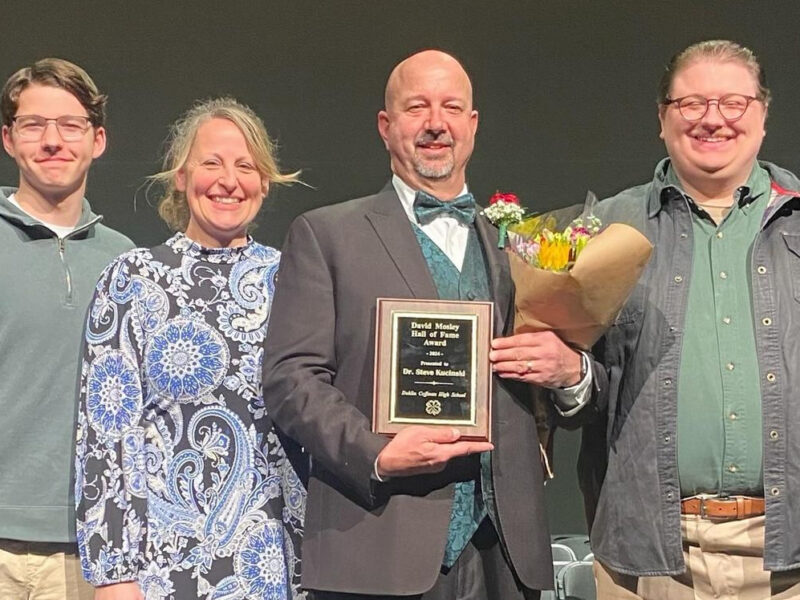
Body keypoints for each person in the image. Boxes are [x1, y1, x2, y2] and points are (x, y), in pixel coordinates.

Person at [262, 49, 601, 600]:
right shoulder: (327, 235)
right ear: (386, 125)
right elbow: (289, 379)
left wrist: (570, 373)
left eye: (451, 107)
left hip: (508, 556)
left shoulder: (524, 246)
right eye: (417, 107)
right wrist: (375, 451)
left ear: (472, 125)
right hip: (380, 544)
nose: (435, 123)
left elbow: (575, 389)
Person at [585, 40, 800, 599]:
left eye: (733, 103)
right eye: (691, 104)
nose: (713, 119)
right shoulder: (604, 229)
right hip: (651, 560)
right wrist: (564, 377)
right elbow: (578, 394)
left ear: (762, 114)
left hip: (793, 555)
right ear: (662, 119)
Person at [75, 98, 307, 600]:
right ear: (180, 177)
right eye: (211, 163)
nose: (229, 180)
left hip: (283, 565)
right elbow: (107, 437)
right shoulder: (132, 281)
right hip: (168, 570)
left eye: (246, 166)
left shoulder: (296, 280)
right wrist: (115, 575)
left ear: (265, 182)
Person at [0, 58, 134, 600]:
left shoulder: (126, 261)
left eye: (70, 125)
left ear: (97, 140)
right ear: (8, 139)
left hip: (87, 546)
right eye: (33, 125)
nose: (52, 141)